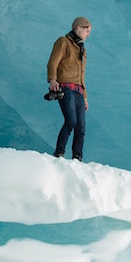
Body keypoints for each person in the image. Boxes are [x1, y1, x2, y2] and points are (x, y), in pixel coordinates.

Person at [47, 16, 91, 160]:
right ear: (78, 28)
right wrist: (52, 79)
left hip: (78, 91)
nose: (88, 34)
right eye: (87, 30)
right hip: (66, 88)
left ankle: (77, 158)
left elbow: (82, 76)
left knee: (81, 127)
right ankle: (59, 153)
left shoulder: (82, 50)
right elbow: (53, 61)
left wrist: (85, 97)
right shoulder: (63, 42)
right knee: (71, 121)